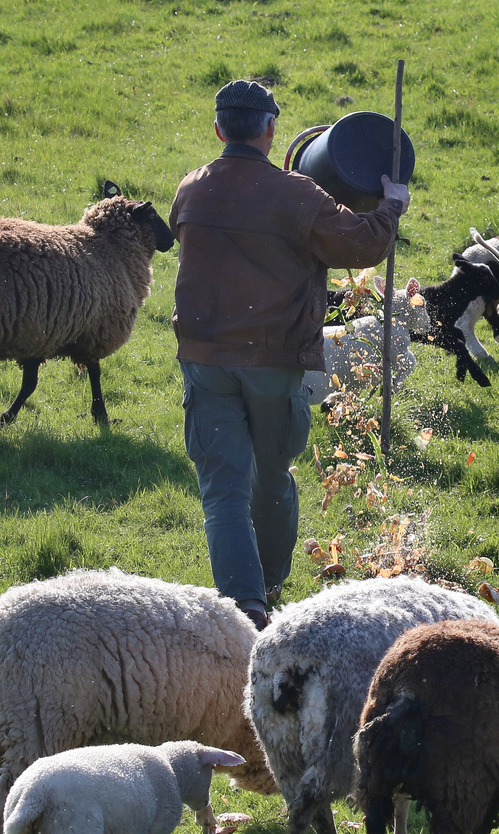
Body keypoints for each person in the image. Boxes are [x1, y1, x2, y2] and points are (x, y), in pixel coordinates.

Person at [169, 80, 409, 630]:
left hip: (204, 358)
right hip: (275, 361)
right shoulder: (296, 194)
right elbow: (360, 245)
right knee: (273, 474)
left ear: (218, 130)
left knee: (223, 491)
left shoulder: (192, 189)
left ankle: (246, 606)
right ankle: (270, 587)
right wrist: (391, 207)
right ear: (272, 131)